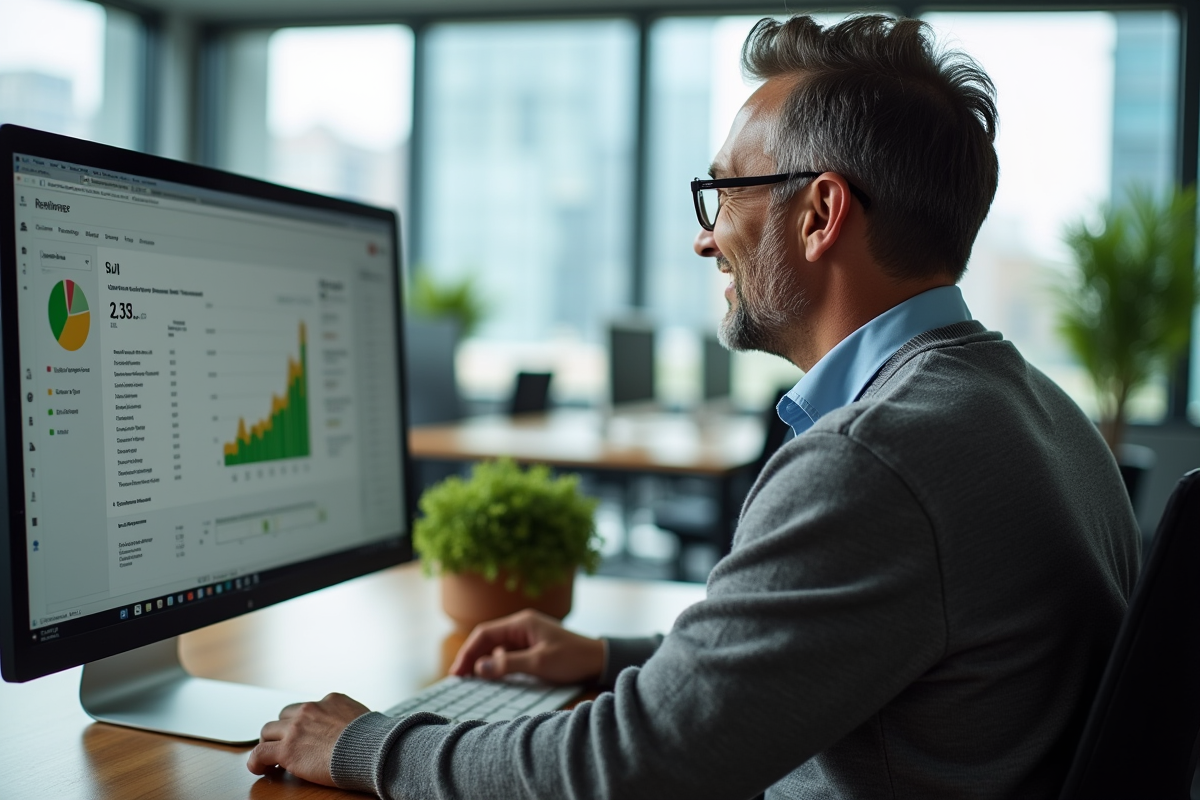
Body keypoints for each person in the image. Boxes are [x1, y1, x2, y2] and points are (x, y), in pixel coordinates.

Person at [248, 15, 1140, 799]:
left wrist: (367, 744)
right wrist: (611, 659)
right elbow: (863, 651)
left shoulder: (878, 460)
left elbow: (631, 772)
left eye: (724, 192)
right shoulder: (1037, 411)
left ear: (820, 213)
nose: (705, 236)